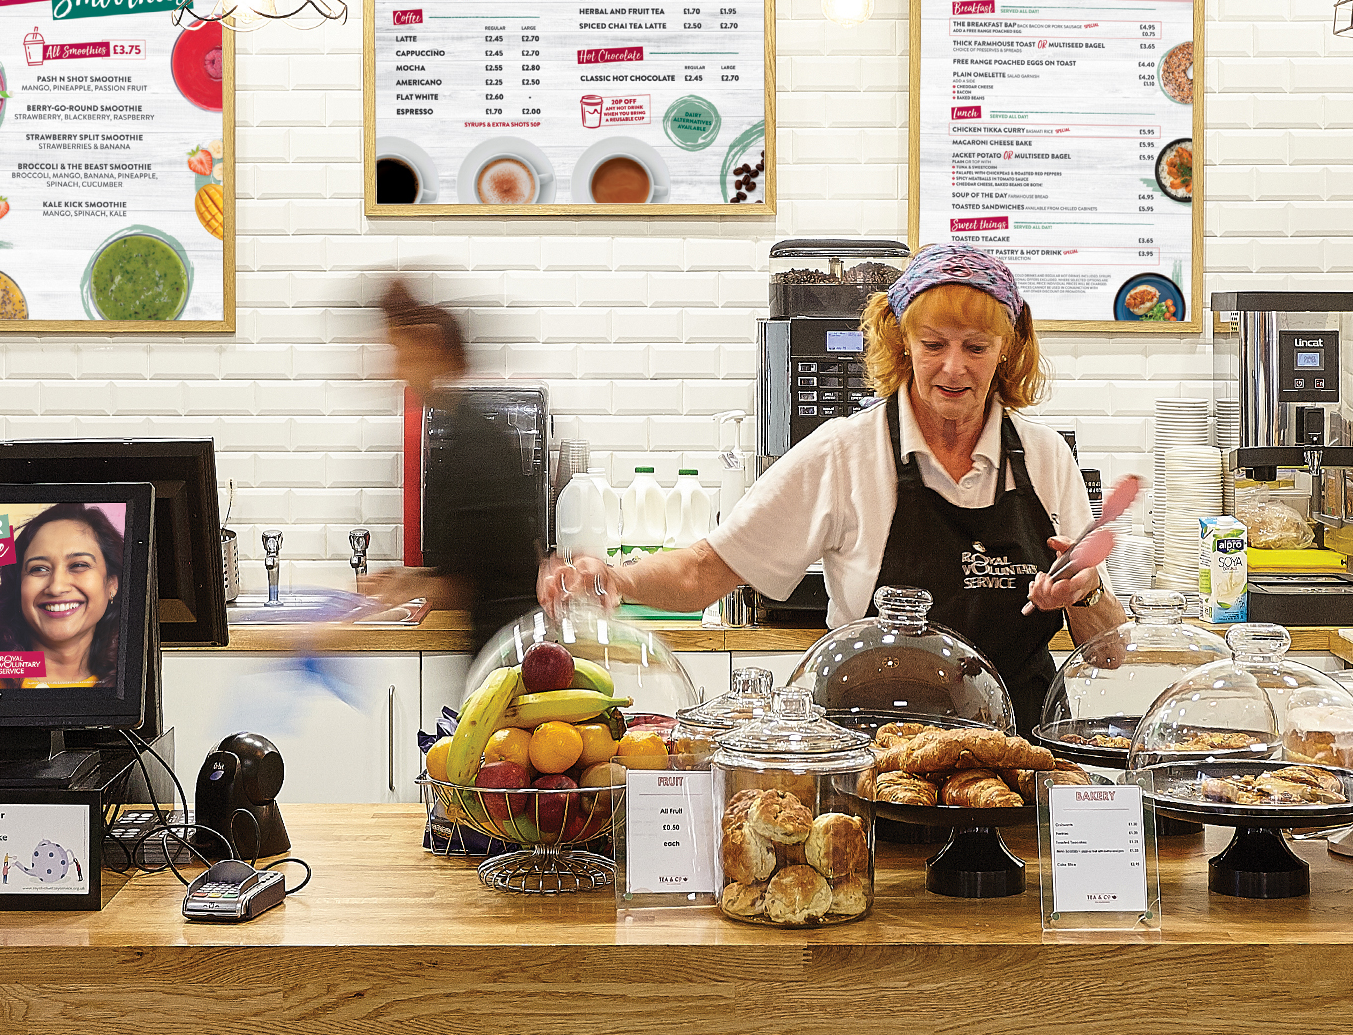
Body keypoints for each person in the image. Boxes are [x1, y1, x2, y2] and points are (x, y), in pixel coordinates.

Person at [543, 244, 1127, 723]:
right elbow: (705, 571)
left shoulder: (1046, 459)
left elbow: (1109, 653)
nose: (954, 367)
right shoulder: (845, 454)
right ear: (901, 342)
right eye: (933, 345)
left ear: (1006, 350)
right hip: (873, 764)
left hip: (1018, 764)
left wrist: (1086, 596)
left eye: (976, 347)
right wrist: (614, 578)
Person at [357, 278, 543, 648]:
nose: (393, 369)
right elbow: (471, 565)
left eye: (399, 352)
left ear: (430, 349)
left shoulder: (474, 444)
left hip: (509, 652)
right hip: (501, 643)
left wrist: (401, 591)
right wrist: (408, 580)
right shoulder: (463, 432)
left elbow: (471, 586)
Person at [0, 502, 126, 690]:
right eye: (39, 568)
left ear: (112, 583)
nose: (56, 587)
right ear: (19, 585)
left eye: (79, 565)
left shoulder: (133, 685)